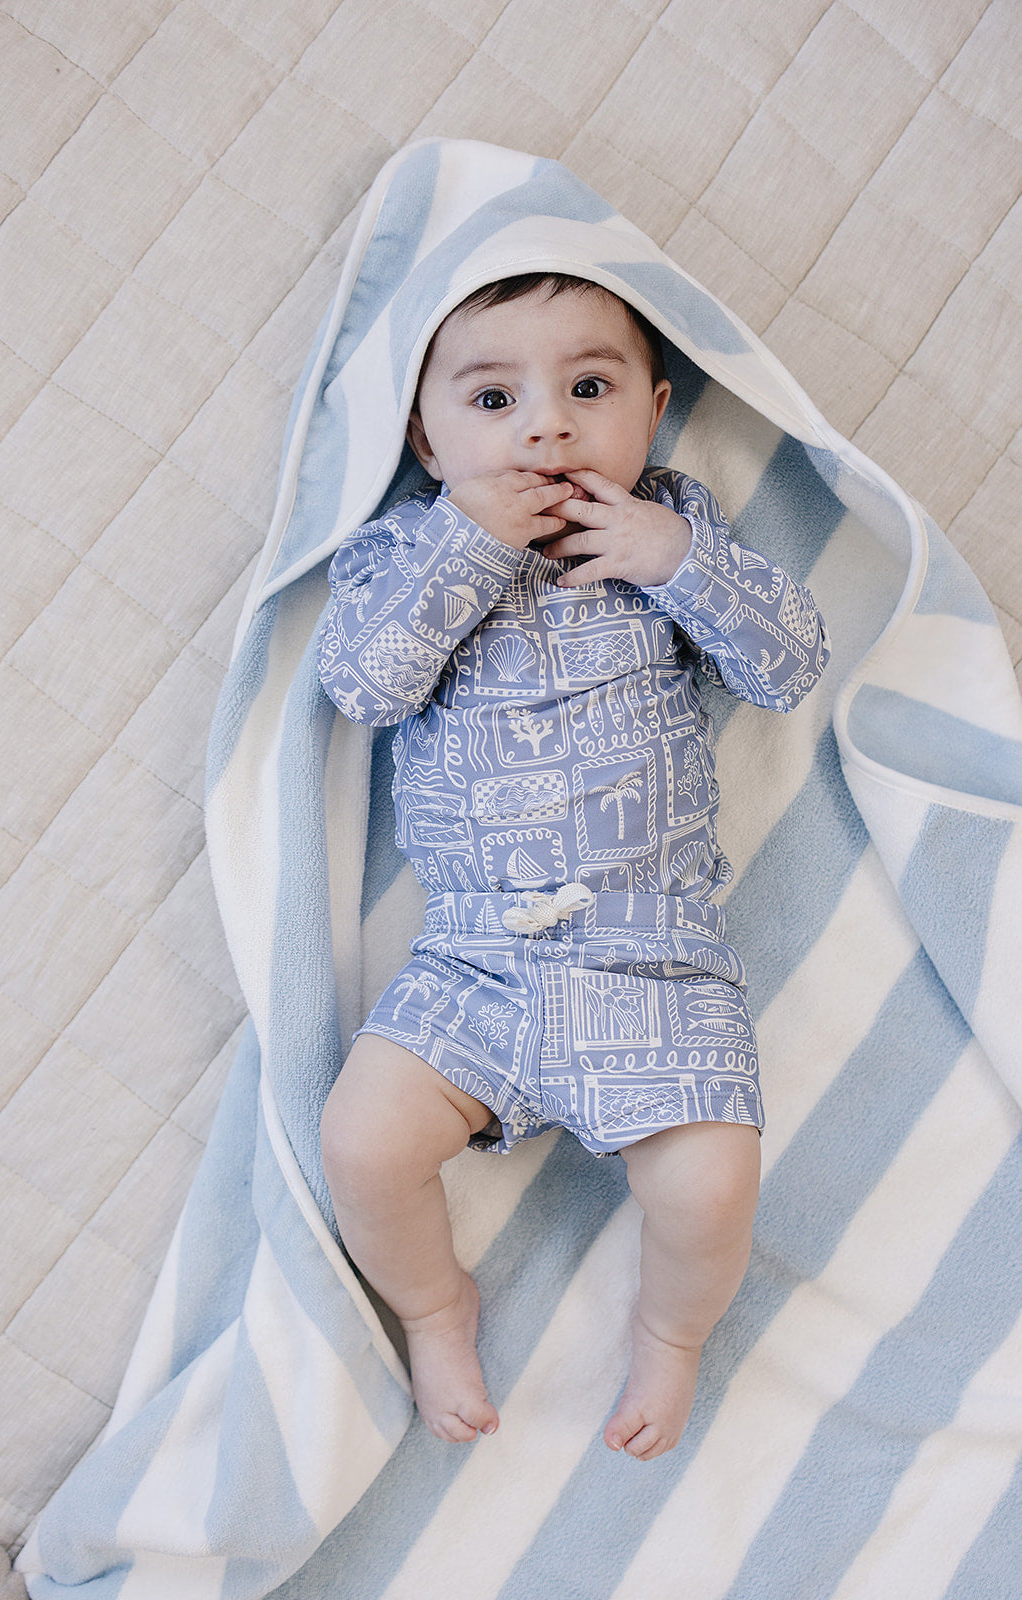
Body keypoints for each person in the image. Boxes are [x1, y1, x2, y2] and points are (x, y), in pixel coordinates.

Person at [317, 272, 829, 1459]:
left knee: (710, 1185)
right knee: (361, 1142)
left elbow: (787, 665)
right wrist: (463, 543)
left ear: (653, 411)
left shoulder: (672, 525)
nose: (545, 426)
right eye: (492, 399)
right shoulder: (402, 548)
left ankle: (671, 1330)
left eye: (587, 389)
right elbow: (363, 685)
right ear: (424, 440)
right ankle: (433, 1305)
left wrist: (677, 558)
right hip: (474, 956)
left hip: (653, 956)